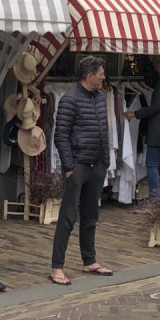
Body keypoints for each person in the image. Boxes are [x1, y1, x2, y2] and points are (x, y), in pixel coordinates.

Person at [50, 55, 113, 285]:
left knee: (91, 216)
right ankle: (57, 267)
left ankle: (90, 261)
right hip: (78, 166)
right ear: (90, 75)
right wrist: (69, 167)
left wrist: (105, 161)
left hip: (97, 165)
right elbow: (61, 135)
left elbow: (104, 131)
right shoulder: (69, 99)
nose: (104, 77)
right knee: (67, 217)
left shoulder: (100, 98)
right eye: (101, 74)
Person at [124, 57, 160, 197]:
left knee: (151, 164)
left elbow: (157, 106)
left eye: (155, 64)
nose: (155, 68)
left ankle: (154, 201)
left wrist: (135, 113)